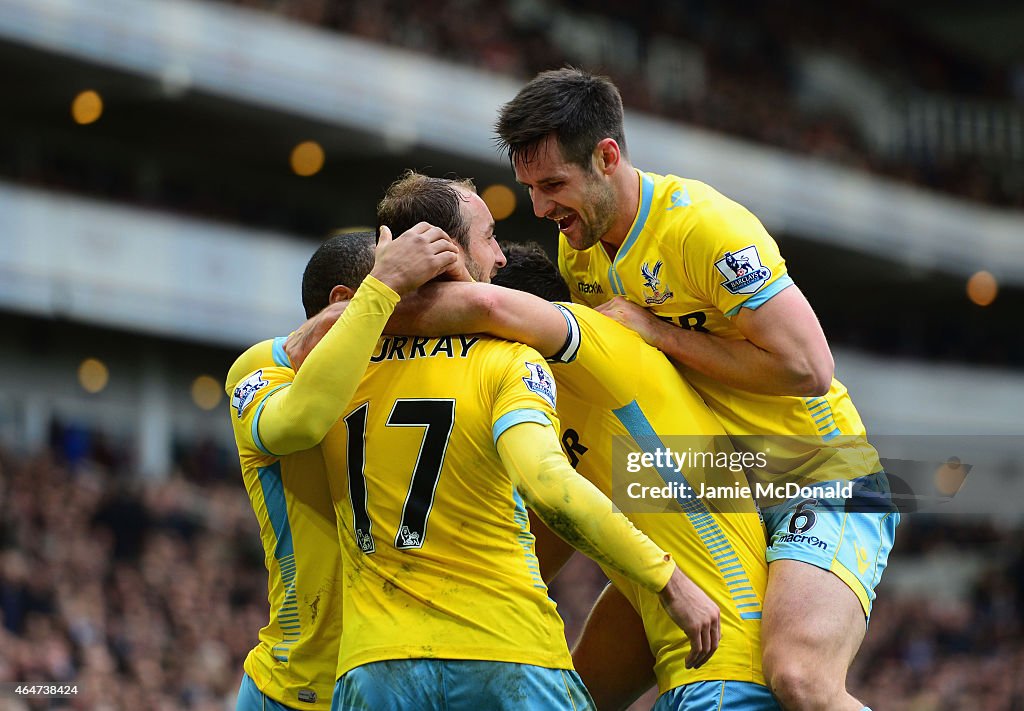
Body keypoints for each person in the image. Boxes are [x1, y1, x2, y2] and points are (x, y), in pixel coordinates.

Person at [495, 67, 898, 711]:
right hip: (710, 490)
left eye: (552, 185)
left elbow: (810, 368)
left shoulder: (705, 228)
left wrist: (658, 331)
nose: (541, 208)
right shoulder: (578, 250)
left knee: (798, 678)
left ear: (606, 157)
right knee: (578, 697)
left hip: (815, 473)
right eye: (531, 189)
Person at [248, 171, 721, 711]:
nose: (500, 258)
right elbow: (549, 485)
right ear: (444, 249)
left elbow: (297, 418)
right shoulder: (507, 359)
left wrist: (358, 309)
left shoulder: (329, 375)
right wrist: (667, 580)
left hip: (376, 667)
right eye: (490, 236)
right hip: (509, 653)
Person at [225, 225, 461, 710]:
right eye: (404, 290)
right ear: (345, 298)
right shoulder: (266, 365)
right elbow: (300, 424)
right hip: (294, 685)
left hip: (398, 679)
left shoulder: (417, 373)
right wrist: (382, 290)